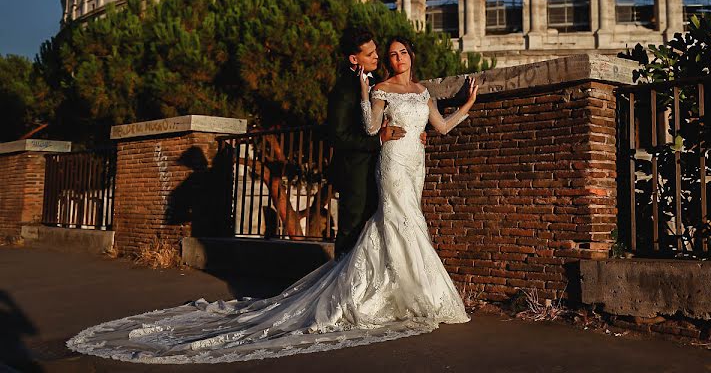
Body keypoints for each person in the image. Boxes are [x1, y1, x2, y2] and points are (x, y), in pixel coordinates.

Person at [66, 37, 479, 364]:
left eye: (402, 52)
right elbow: (371, 129)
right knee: (397, 219)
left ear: (411, 56)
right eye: (391, 54)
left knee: (408, 221)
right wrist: (367, 99)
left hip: (416, 164)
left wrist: (467, 105)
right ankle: (404, 293)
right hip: (391, 161)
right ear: (387, 62)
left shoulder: (423, 90)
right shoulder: (381, 88)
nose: (397, 58)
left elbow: (440, 127)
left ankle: (404, 288)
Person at [326, 27, 405, 258]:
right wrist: (378, 140)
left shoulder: (380, 83)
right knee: (352, 228)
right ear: (354, 58)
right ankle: (340, 287)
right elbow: (337, 136)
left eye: (376, 52)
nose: (377, 57)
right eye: (369, 54)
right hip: (355, 170)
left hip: (383, 166)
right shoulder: (342, 90)